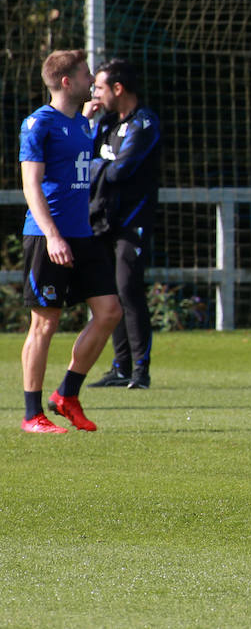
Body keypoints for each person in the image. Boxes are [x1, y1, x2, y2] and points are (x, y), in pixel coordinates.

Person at [17, 50, 123, 433]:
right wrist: (52, 236)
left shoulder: (80, 123)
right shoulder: (38, 124)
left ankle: (66, 395)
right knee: (45, 323)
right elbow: (31, 186)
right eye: (85, 74)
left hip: (82, 235)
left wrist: (88, 118)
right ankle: (32, 415)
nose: (92, 79)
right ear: (66, 81)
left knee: (110, 311)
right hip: (47, 237)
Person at [85, 59, 162, 390]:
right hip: (103, 220)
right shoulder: (104, 124)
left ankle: (140, 371)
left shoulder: (144, 124)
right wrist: (85, 123)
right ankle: (120, 367)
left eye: (100, 88)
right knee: (110, 294)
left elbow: (120, 171)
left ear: (118, 88)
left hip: (133, 222)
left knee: (128, 288)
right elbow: (81, 160)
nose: (95, 94)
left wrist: (96, 166)